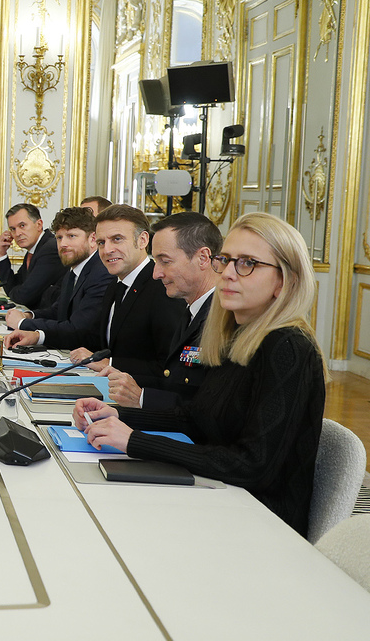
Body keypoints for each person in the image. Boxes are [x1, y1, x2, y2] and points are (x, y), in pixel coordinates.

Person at [73, 212, 327, 537]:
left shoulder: (287, 347)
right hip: (220, 495)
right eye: (227, 260)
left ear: (284, 281)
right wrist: (119, 415)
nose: (228, 273)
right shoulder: (238, 332)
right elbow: (196, 418)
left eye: (247, 263)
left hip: (259, 523)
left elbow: (252, 466)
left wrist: (134, 441)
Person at [102, 211, 222, 409]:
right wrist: (122, 393)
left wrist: (142, 398)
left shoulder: (223, 319)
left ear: (203, 258)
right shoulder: (192, 311)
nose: (156, 273)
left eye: (165, 261)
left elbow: (208, 409)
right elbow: (172, 382)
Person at [67, 204, 187, 384]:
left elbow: (168, 367)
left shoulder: (162, 288)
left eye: (117, 239)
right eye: (101, 242)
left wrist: (110, 363)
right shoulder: (115, 285)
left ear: (143, 240)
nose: (107, 250)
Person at [3, 207, 111, 349]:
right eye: (59, 237)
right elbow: (59, 311)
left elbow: (78, 329)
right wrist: (29, 316)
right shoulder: (74, 270)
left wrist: (23, 324)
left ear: (92, 239)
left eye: (71, 236)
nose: (63, 244)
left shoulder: (101, 273)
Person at [0, 203, 63, 308]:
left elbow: (24, 296)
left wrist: (14, 292)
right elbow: (15, 285)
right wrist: (2, 254)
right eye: (13, 229)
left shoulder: (50, 249)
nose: (17, 233)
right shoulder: (34, 250)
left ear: (39, 225)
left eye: (22, 226)